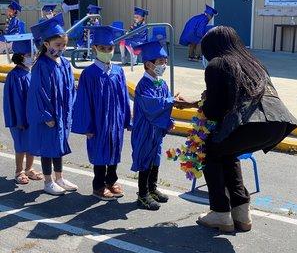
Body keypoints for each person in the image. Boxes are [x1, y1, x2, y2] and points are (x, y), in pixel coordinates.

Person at [176, 26, 297, 232]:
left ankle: (220, 213)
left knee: (210, 152)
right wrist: (194, 102)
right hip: (277, 123)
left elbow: (215, 110)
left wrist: (200, 115)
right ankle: (241, 213)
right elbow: (232, 97)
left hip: (252, 124)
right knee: (227, 153)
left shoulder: (217, 64)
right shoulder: (253, 63)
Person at [72, 25, 131, 201]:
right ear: (95, 48)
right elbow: (83, 102)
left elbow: (124, 97)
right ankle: (98, 186)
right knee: (99, 152)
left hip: (115, 120)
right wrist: (87, 126)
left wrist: (126, 119)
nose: (107, 51)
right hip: (97, 122)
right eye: (103, 48)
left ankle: (111, 181)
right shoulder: (89, 74)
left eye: (110, 48)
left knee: (114, 150)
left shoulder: (118, 71)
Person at [28, 13, 78, 196]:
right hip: (49, 116)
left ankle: (60, 178)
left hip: (62, 113)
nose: (62, 48)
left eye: (64, 45)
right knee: (48, 148)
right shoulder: (40, 65)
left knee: (58, 146)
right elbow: (38, 93)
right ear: (46, 44)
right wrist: (47, 116)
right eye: (58, 45)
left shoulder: (64, 63)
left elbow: (70, 88)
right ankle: (48, 181)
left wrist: (70, 109)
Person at [131, 41, 182, 210]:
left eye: (165, 61)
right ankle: (143, 194)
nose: (164, 65)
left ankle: (152, 188)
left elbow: (165, 108)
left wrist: (168, 122)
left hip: (157, 130)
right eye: (160, 62)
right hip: (145, 129)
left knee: (155, 157)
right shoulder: (143, 85)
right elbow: (153, 106)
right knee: (145, 159)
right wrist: (172, 100)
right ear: (148, 64)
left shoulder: (161, 83)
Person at [3, 35, 43, 185]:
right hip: (19, 118)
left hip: (32, 117)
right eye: (28, 55)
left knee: (31, 143)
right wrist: (20, 120)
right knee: (21, 145)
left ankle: (29, 169)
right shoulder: (14, 76)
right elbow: (14, 102)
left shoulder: (31, 72)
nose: (32, 58)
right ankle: (19, 170)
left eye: (33, 54)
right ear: (20, 56)